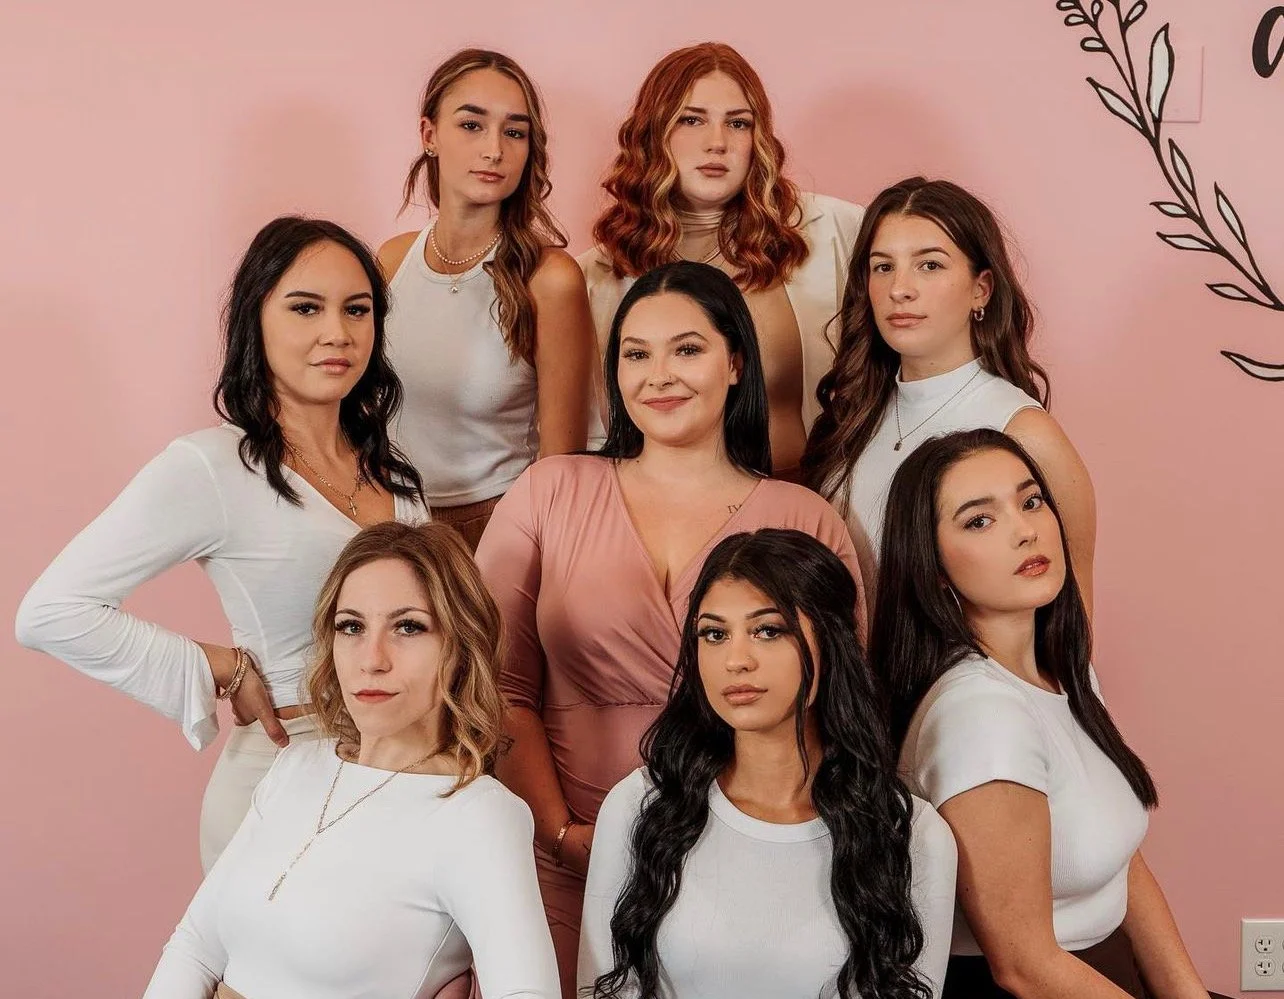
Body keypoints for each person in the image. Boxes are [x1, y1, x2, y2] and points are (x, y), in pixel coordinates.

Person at [475, 261, 862, 995]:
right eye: (635, 352)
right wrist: (563, 836)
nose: (660, 374)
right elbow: (495, 686)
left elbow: (837, 714)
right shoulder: (549, 491)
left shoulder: (805, 517)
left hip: (745, 867)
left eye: (686, 349)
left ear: (735, 362)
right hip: (559, 860)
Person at [15, 216, 427, 871]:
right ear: (252, 320)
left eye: (358, 309)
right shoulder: (210, 467)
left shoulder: (395, 471)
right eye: (304, 308)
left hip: (402, 776)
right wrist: (222, 666)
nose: (337, 332)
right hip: (280, 780)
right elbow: (49, 612)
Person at [141, 521, 560, 998]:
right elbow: (195, 946)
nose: (372, 658)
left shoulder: (477, 814)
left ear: (459, 649)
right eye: (352, 627)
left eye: (408, 627)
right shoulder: (296, 766)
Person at [871, 429, 1206, 999]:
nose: (1026, 530)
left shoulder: (1063, 672)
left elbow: (1121, 859)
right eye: (980, 520)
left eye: (1030, 501)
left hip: (1102, 973)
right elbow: (1024, 967)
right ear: (931, 568)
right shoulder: (982, 714)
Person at [580, 528, 956, 999]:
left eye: (768, 630)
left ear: (831, 640)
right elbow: (602, 988)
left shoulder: (913, 835)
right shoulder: (640, 805)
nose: (736, 660)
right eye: (714, 634)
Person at [803, 178, 1096, 611]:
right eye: (883, 267)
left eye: (930, 265)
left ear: (982, 289)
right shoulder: (851, 415)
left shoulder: (1023, 431)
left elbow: (1074, 620)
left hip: (960, 679)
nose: (899, 289)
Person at [581, 41, 863, 479]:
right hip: (666, 526)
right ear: (654, 133)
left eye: (738, 123)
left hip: (811, 509)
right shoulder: (593, 279)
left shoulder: (834, 231)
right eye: (691, 120)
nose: (717, 143)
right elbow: (597, 435)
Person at [378, 48, 595, 549]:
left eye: (514, 132)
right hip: (391, 521)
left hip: (498, 525)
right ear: (429, 135)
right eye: (472, 125)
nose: (494, 149)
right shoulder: (390, 262)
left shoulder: (550, 278)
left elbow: (562, 463)